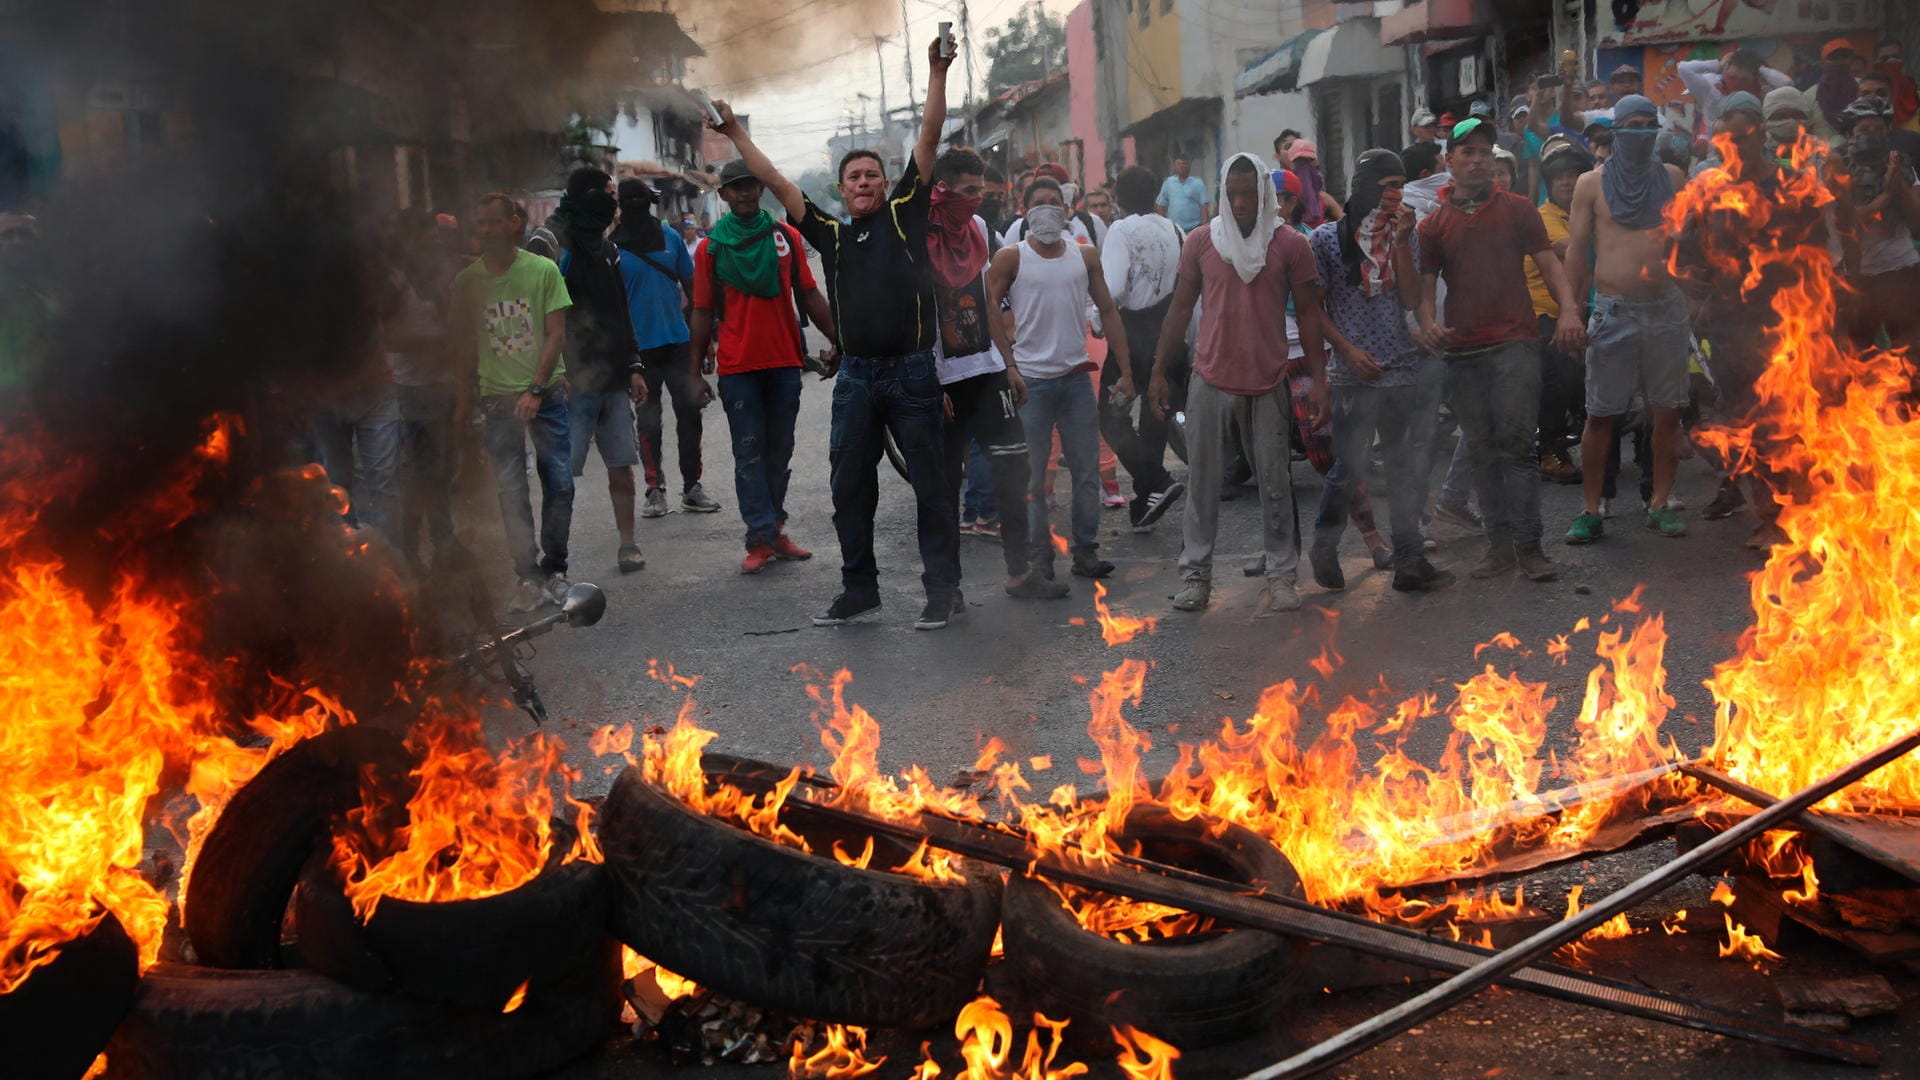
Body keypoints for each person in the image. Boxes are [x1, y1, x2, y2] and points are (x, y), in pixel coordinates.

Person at [713, 35, 962, 631]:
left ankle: (942, 591)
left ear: (886, 184)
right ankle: (859, 590)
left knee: (930, 486)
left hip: (910, 375)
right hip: (855, 377)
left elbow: (927, 138)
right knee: (849, 489)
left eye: (873, 175)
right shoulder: (827, 231)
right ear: (841, 188)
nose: (865, 183)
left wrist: (936, 71)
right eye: (854, 177)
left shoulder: (906, 211)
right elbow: (772, 178)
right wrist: (732, 133)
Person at [1148, 153, 1327, 616]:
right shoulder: (1202, 243)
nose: (1243, 203)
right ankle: (1195, 577)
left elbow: (1310, 315)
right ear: (1222, 196)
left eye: (1251, 193)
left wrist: (1320, 382)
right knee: (1203, 484)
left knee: (1274, 483)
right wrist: (1158, 372)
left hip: (1269, 379)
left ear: (1265, 195)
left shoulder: (1289, 245)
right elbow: (1180, 310)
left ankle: (1282, 576)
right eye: (1234, 194)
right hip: (1210, 378)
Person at [1414, 118, 1585, 583]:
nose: (1478, 160)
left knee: (1516, 447)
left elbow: (1550, 265)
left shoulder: (1518, 209)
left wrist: (1569, 310)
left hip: (1515, 344)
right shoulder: (1433, 226)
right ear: (1448, 162)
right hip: (1463, 351)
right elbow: (1426, 290)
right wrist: (1428, 324)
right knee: (1483, 449)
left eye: (1485, 152)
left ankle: (1530, 547)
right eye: (1467, 152)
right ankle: (1499, 546)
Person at [923, 146, 1069, 601]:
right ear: (941, 190)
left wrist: (1008, 365)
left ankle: (1020, 572)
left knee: (1014, 472)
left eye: (980, 192)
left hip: (987, 371)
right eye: (968, 192)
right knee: (943, 487)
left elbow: (988, 301)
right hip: (942, 379)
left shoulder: (982, 229)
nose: (976, 201)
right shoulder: (917, 234)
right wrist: (928, 381)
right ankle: (946, 588)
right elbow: (916, 311)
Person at [1308, 150, 1454, 593]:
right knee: (1348, 466)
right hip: (1355, 373)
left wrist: (1403, 243)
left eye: (1400, 184)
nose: (1394, 193)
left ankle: (1409, 560)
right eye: (1386, 184)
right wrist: (1348, 352)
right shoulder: (1326, 241)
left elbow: (1411, 300)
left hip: (1402, 368)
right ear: (1364, 185)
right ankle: (1324, 545)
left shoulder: (1405, 234)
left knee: (1403, 466)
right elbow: (1313, 311)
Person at [688, 159, 833, 574]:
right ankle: (758, 538)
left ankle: (776, 530)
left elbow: (809, 294)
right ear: (724, 195)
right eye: (736, 188)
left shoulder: (784, 237)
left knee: (779, 452)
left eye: (751, 186)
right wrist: (693, 371)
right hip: (738, 368)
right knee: (749, 454)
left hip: (785, 362)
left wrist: (840, 340)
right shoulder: (710, 248)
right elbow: (701, 311)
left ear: (760, 190)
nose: (746, 193)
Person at [986, 177, 1130, 583]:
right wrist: (1009, 364)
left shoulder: (1084, 256)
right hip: (1030, 383)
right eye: (1040, 202)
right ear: (1024, 209)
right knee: (1032, 477)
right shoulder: (1010, 258)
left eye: (1055, 202)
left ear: (1067, 210)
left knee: (1085, 473)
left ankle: (1085, 552)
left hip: (1075, 380)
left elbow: (1109, 311)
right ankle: (1040, 557)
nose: (1048, 209)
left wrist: (1127, 370)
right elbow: (989, 308)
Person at [1562, 95, 1692, 545]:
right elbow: (1577, 252)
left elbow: (1684, 246)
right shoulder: (1589, 184)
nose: (1639, 132)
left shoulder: (1674, 178)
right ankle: (1591, 510)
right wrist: (1569, 311)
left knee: (1667, 412)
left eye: (1646, 123)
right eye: (1631, 124)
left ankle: (1659, 503)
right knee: (1600, 415)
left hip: (1666, 309)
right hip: (1613, 310)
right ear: (1615, 131)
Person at [452, 192, 575, 612]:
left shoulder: (542, 270)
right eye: (479, 224)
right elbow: (465, 347)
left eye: (492, 222)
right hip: (496, 400)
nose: (485, 230)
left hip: (546, 394)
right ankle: (526, 575)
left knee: (559, 480)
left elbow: (556, 334)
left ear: (514, 223)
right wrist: (464, 402)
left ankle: (555, 568)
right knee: (510, 490)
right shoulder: (468, 282)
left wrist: (535, 389)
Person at [549, 167, 651, 576]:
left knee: (621, 468)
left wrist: (634, 365)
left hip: (611, 380)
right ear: (588, 196)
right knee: (561, 475)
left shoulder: (608, 248)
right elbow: (546, 315)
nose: (615, 201)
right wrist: (557, 370)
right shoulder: (557, 246)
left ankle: (628, 544)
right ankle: (555, 560)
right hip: (573, 384)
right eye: (608, 193)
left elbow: (619, 312)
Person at [613, 178, 718, 522]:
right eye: (633, 201)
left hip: (678, 342)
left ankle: (692, 488)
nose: (639, 206)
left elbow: (693, 289)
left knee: (690, 416)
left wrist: (704, 342)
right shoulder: (612, 249)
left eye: (643, 200)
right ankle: (654, 489)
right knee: (648, 423)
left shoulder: (670, 237)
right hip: (637, 353)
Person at [1098, 165, 1188, 531]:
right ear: (1156, 196)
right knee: (1156, 420)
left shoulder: (1121, 230)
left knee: (1109, 417)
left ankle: (1157, 482)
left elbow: (1113, 287)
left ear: (1117, 197)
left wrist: (1094, 319)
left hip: (1134, 335)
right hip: (1171, 334)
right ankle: (1147, 498)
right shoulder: (1176, 229)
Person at [385, 212, 459, 569]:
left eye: (435, 235)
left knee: (444, 469)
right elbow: (390, 339)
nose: (434, 242)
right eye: (425, 236)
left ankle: (444, 541)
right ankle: (413, 547)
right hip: (415, 388)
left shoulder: (439, 276)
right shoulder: (395, 281)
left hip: (446, 384)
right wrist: (437, 341)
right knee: (423, 472)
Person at [1835, 95, 1920, 358]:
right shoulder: (1837, 167)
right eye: (1863, 130)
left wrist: (1898, 185)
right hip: (1856, 278)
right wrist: (1884, 199)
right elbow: (1848, 225)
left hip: (1901, 272)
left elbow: (1917, 221)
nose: (1871, 136)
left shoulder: (1899, 163)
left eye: (1878, 129)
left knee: (1911, 354)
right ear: (1850, 133)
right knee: (1855, 359)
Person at [1529, 140, 1592, 486]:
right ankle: (1548, 448)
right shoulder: (1543, 219)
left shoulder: (1594, 212)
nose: (1567, 182)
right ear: (1549, 185)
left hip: (1587, 310)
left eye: (1574, 175)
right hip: (1545, 314)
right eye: (1560, 178)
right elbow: (1572, 251)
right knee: (1560, 371)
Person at [1678, 48, 1794, 135]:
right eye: (1732, 77)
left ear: (1754, 78)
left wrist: (1760, 69)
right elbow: (1683, 68)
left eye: (1743, 79)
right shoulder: (1709, 87)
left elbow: (1787, 84)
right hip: (1716, 147)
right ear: (1725, 71)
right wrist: (1717, 65)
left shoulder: (1762, 92)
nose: (1736, 83)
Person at [1856, 71, 1920, 163]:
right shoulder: (1842, 151)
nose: (1873, 99)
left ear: (1893, 98)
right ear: (1857, 99)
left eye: (1881, 93)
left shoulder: (1914, 143)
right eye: (1866, 94)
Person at [1817, 40, 1864, 132]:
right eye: (1834, 58)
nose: (1840, 62)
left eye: (1844, 57)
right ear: (1824, 63)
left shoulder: (1863, 87)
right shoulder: (1810, 95)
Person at [1156, 156, 1211, 231]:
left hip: (1193, 228)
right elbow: (1160, 204)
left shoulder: (1198, 183)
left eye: (1184, 164)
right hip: (1174, 229)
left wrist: (1205, 229)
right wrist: (1163, 225)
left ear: (1189, 166)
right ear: (1175, 166)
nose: (1181, 166)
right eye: (1178, 164)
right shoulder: (1169, 182)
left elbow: (1204, 206)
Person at [1876, 38, 1919, 131]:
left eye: (1895, 56)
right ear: (1876, 62)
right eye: (1885, 58)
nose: (1891, 61)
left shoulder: (1916, 93)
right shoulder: (1868, 98)